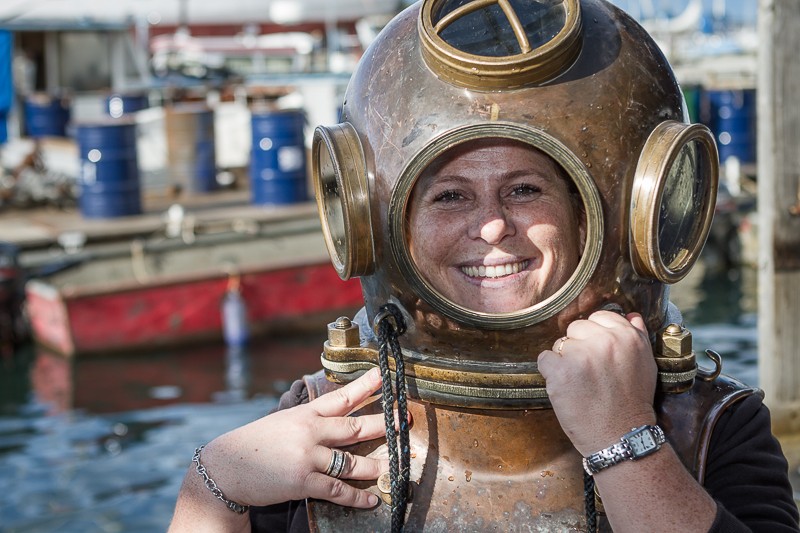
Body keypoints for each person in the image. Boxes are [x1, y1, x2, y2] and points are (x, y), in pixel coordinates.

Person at [170, 0, 800, 531]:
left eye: (526, 189)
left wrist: (626, 440)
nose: (493, 225)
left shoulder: (706, 427)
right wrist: (215, 482)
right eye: (449, 195)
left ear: (603, 217)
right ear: (380, 226)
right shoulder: (325, 428)